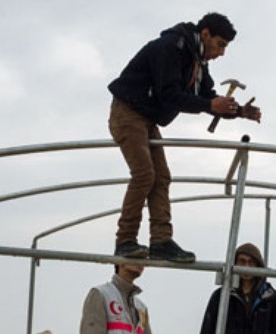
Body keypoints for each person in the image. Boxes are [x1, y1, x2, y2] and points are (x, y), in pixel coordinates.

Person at [107, 13, 262, 263]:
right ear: (205, 34)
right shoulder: (171, 47)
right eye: (220, 44)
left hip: (146, 118)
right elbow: (170, 95)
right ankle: (125, 241)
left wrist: (239, 111)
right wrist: (210, 103)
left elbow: (207, 97)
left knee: (162, 177)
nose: (222, 53)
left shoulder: (197, 61)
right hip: (128, 112)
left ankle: (160, 241)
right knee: (145, 174)